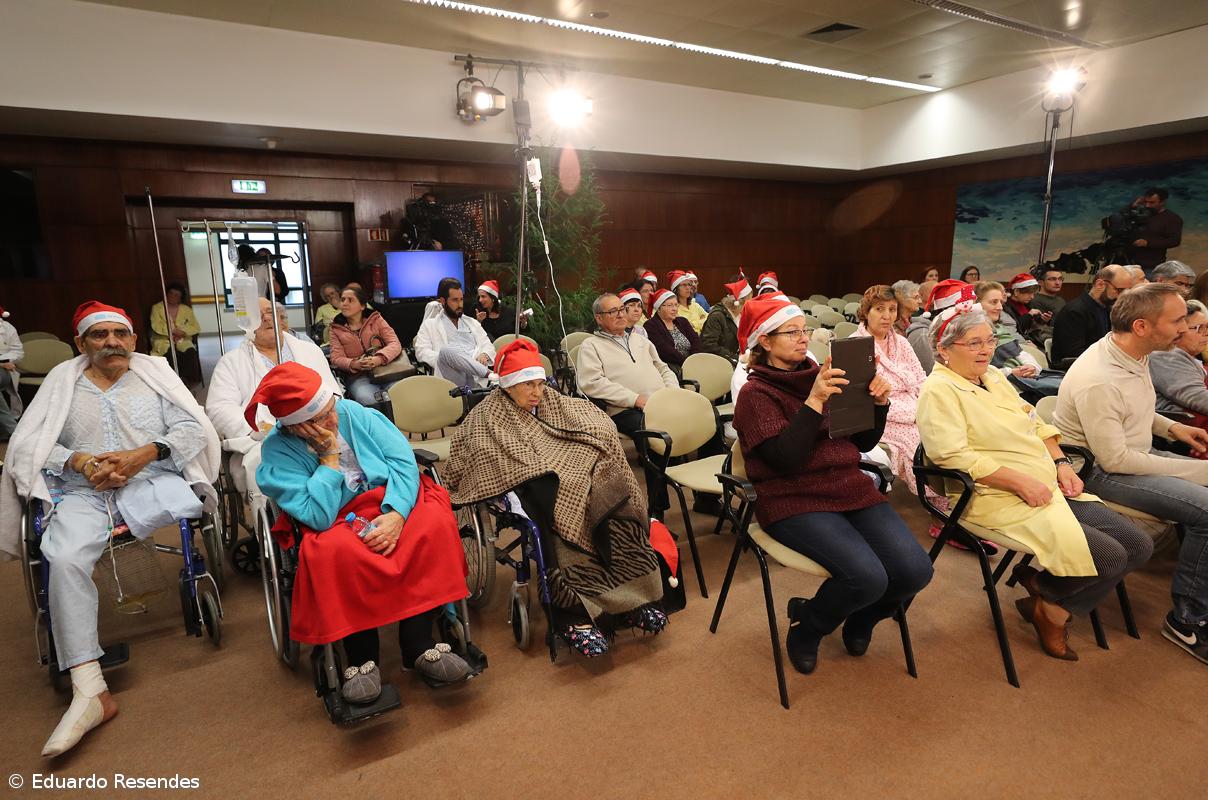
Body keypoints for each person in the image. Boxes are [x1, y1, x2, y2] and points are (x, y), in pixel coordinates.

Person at [0, 300, 218, 756]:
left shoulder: (154, 373)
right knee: (62, 557)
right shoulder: (64, 382)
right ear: (80, 343)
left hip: (150, 479)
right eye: (99, 335)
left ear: (134, 340)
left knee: (188, 505)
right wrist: (78, 459)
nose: (111, 342)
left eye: (120, 333)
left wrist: (145, 454)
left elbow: (192, 427)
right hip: (81, 489)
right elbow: (31, 442)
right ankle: (89, 687)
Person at [917, 302, 1151, 661]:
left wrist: (1061, 463)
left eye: (989, 340)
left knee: (1138, 545)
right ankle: (1053, 610)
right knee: (1108, 555)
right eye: (973, 343)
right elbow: (952, 456)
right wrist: (1018, 482)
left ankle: (1048, 598)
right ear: (945, 349)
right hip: (995, 494)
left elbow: (1035, 422)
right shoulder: (939, 390)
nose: (986, 350)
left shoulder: (993, 377)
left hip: (1046, 483)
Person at [732, 294, 932, 675]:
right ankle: (807, 626)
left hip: (847, 486)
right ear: (765, 341)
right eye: (789, 332)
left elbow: (860, 444)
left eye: (802, 329)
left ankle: (862, 619)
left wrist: (878, 405)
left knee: (914, 570)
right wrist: (814, 401)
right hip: (791, 497)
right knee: (866, 576)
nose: (802, 337)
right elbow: (785, 460)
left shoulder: (824, 373)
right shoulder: (755, 394)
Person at [251, 362, 474, 700]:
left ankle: (419, 643)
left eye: (331, 409)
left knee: (432, 525)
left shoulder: (353, 411)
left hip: (392, 496)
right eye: (321, 419)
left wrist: (398, 514)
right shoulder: (277, 452)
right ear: (296, 428)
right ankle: (362, 658)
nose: (333, 419)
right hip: (337, 515)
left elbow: (402, 460)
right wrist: (327, 460)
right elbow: (317, 516)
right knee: (336, 552)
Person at [445, 340, 669, 657]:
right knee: (557, 509)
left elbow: (590, 420)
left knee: (614, 494)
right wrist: (543, 466)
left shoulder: (553, 401)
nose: (537, 392)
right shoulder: (487, 416)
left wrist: (588, 455)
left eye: (540, 383)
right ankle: (574, 616)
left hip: (572, 466)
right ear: (508, 386)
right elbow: (477, 453)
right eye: (527, 385)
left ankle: (634, 599)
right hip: (528, 478)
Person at [1054, 283, 1208, 665]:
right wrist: (1195, 470)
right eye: (1176, 322)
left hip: (1125, 456)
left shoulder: (1132, 352)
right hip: (1097, 471)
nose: (1183, 329)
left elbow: (1132, 411)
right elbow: (1116, 459)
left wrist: (1171, 428)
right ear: (1141, 326)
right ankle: (1188, 619)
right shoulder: (1101, 378)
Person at [206, 298, 341, 514]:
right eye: (259, 316)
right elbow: (219, 409)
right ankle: (282, 524)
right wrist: (259, 430)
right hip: (264, 439)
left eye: (271, 312)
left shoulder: (309, 351)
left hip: (318, 428)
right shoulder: (232, 362)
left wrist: (319, 422)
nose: (268, 318)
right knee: (264, 461)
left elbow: (333, 393)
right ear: (247, 324)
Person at [855, 285, 960, 543]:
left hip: (912, 404)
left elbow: (921, 378)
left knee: (945, 434)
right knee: (917, 441)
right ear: (866, 313)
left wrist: (925, 406)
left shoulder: (900, 342)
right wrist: (914, 412)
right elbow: (862, 395)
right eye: (879, 309)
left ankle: (955, 498)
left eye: (892, 310)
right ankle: (937, 511)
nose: (886, 316)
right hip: (878, 413)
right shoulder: (856, 345)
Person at [576, 293, 678, 511]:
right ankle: (656, 513)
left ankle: (707, 499)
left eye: (621, 309)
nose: (621, 314)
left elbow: (663, 367)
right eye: (612, 312)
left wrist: (672, 392)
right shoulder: (591, 346)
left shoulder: (640, 340)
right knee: (652, 434)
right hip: (624, 409)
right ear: (598, 318)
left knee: (710, 419)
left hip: (661, 401)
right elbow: (591, 383)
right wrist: (635, 399)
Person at [329, 285, 406, 406]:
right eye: (343, 299)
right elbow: (336, 358)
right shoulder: (336, 328)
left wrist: (379, 358)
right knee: (367, 398)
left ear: (362, 306)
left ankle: (399, 425)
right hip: (358, 377)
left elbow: (395, 344)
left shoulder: (376, 319)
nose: (344, 303)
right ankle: (377, 425)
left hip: (387, 371)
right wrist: (355, 364)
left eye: (350, 300)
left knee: (399, 394)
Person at [413, 278, 495, 388]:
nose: (460, 304)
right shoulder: (430, 325)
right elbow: (421, 352)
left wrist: (484, 354)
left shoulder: (471, 322)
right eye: (455, 300)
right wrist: (451, 359)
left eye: (461, 299)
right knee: (446, 351)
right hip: (452, 376)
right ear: (443, 301)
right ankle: (492, 376)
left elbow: (487, 343)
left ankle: (490, 378)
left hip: (477, 376)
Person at [1049, 264, 1132, 369]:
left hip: (1099, 365)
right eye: (1119, 290)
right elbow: (1073, 354)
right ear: (1100, 284)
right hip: (1075, 371)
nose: (1122, 296)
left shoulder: (1107, 308)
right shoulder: (1074, 312)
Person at [1150, 299, 1208, 444]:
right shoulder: (1166, 355)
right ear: (1178, 330)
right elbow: (1198, 398)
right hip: (1181, 437)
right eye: (1199, 328)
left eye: (1207, 327)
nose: (1206, 333)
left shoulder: (1184, 354)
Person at [149, 282, 202, 387]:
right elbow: (155, 325)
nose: (173, 296)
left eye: (176, 295)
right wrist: (172, 331)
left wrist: (182, 332)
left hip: (182, 339)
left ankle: (184, 380)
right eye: (171, 293)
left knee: (190, 352)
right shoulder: (157, 308)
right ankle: (171, 381)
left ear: (181, 297)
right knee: (169, 354)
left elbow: (195, 327)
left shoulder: (186, 309)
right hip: (163, 339)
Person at [645, 288, 702, 376]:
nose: (674, 309)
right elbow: (664, 350)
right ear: (659, 308)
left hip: (693, 364)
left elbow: (696, 341)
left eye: (676, 305)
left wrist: (694, 360)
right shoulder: (651, 326)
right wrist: (687, 363)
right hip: (670, 368)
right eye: (670, 305)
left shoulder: (683, 321)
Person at [1127, 187, 1183, 273]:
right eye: (1146, 202)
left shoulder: (1172, 219)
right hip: (1129, 262)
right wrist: (1133, 205)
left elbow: (1175, 241)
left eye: (1152, 202)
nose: (1147, 205)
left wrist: (1148, 243)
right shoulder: (1141, 214)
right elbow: (1121, 219)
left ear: (1162, 202)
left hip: (1151, 264)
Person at [700, 278, 750, 362]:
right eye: (749, 300)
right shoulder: (717, 316)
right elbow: (709, 346)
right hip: (719, 364)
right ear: (739, 303)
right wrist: (736, 358)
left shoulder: (739, 314)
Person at [1002, 273, 1047, 345]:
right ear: (1016, 291)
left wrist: (1043, 319)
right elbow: (1015, 327)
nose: (1032, 297)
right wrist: (1029, 315)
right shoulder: (1006, 306)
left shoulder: (1028, 303)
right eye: (1029, 293)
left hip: (1033, 339)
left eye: (1033, 294)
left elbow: (1033, 325)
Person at [0, 306, 24, 440]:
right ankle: (14, 431)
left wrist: (3, 363)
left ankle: (13, 431)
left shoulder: (7, 328)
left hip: (5, 372)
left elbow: (18, 352)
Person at [1029, 267, 1065, 347]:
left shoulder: (1060, 300)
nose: (1057, 283)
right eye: (1052, 279)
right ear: (1041, 283)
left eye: (1060, 279)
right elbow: (1037, 329)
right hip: (1048, 342)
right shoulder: (1034, 299)